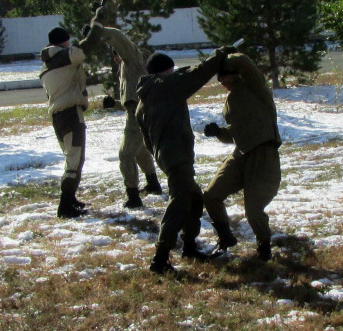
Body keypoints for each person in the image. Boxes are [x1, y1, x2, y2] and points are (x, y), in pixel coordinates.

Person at [135, 46, 230, 273]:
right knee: (179, 204)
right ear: (166, 71)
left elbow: (147, 140)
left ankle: (189, 247)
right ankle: (160, 258)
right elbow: (196, 75)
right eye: (172, 70)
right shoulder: (166, 87)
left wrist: (162, 157)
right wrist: (219, 57)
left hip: (169, 158)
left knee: (195, 200)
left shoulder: (144, 99)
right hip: (176, 157)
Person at [201, 53, 281, 261]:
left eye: (224, 77)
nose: (222, 83)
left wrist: (222, 56)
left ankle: (264, 245)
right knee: (211, 194)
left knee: (253, 210)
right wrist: (218, 132)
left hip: (263, 153)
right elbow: (235, 133)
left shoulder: (255, 87)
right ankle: (226, 238)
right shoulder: (231, 99)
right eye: (219, 80)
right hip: (241, 153)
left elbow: (245, 61)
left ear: (235, 74)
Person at [93, 18, 163, 208]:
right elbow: (132, 99)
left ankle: (133, 196)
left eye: (116, 54)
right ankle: (153, 184)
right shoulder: (128, 67)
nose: (115, 58)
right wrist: (114, 104)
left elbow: (117, 36)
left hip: (139, 117)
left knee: (125, 154)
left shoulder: (132, 59)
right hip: (138, 113)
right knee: (139, 151)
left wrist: (98, 31)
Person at [40, 19, 102, 218]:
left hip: (58, 117)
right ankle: (65, 206)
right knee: (75, 160)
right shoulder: (64, 56)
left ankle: (71, 200)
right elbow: (86, 48)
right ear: (64, 42)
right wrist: (96, 24)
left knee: (72, 158)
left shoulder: (47, 65)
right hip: (71, 114)